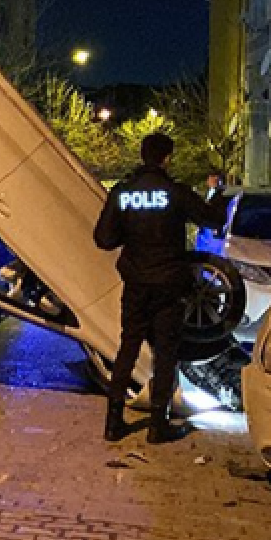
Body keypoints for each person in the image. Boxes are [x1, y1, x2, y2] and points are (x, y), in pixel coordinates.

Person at [93, 133, 228, 444]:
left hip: (136, 285)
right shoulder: (175, 192)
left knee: (128, 348)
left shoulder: (123, 193)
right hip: (169, 286)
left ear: (142, 156)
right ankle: (158, 424)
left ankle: (113, 422)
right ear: (167, 158)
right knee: (165, 353)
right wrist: (217, 192)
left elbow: (104, 239)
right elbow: (212, 218)